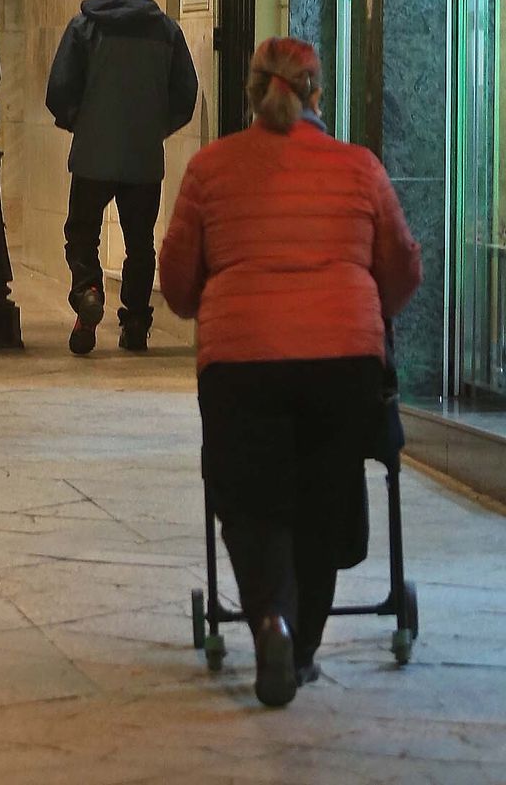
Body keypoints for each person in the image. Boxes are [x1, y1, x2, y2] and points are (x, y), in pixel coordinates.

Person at [160, 37, 420, 707]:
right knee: (323, 494)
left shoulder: (211, 168)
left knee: (248, 496)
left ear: (252, 95)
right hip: (343, 364)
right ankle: (302, 647)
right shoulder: (359, 167)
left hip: (242, 364)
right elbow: (402, 268)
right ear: (316, 96)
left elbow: (179, 282)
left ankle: (269, 620)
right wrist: (366, 310)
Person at [45, 0, 199, 356]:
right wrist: (155, 128)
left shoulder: (84, 26)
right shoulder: (167, 30)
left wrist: (82, 122)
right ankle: (134, 323)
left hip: (93, 155)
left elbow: (58, 90)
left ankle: (89, 291)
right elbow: (186, 95)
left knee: (81, 234)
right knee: (140, 243)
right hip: (143, 159)